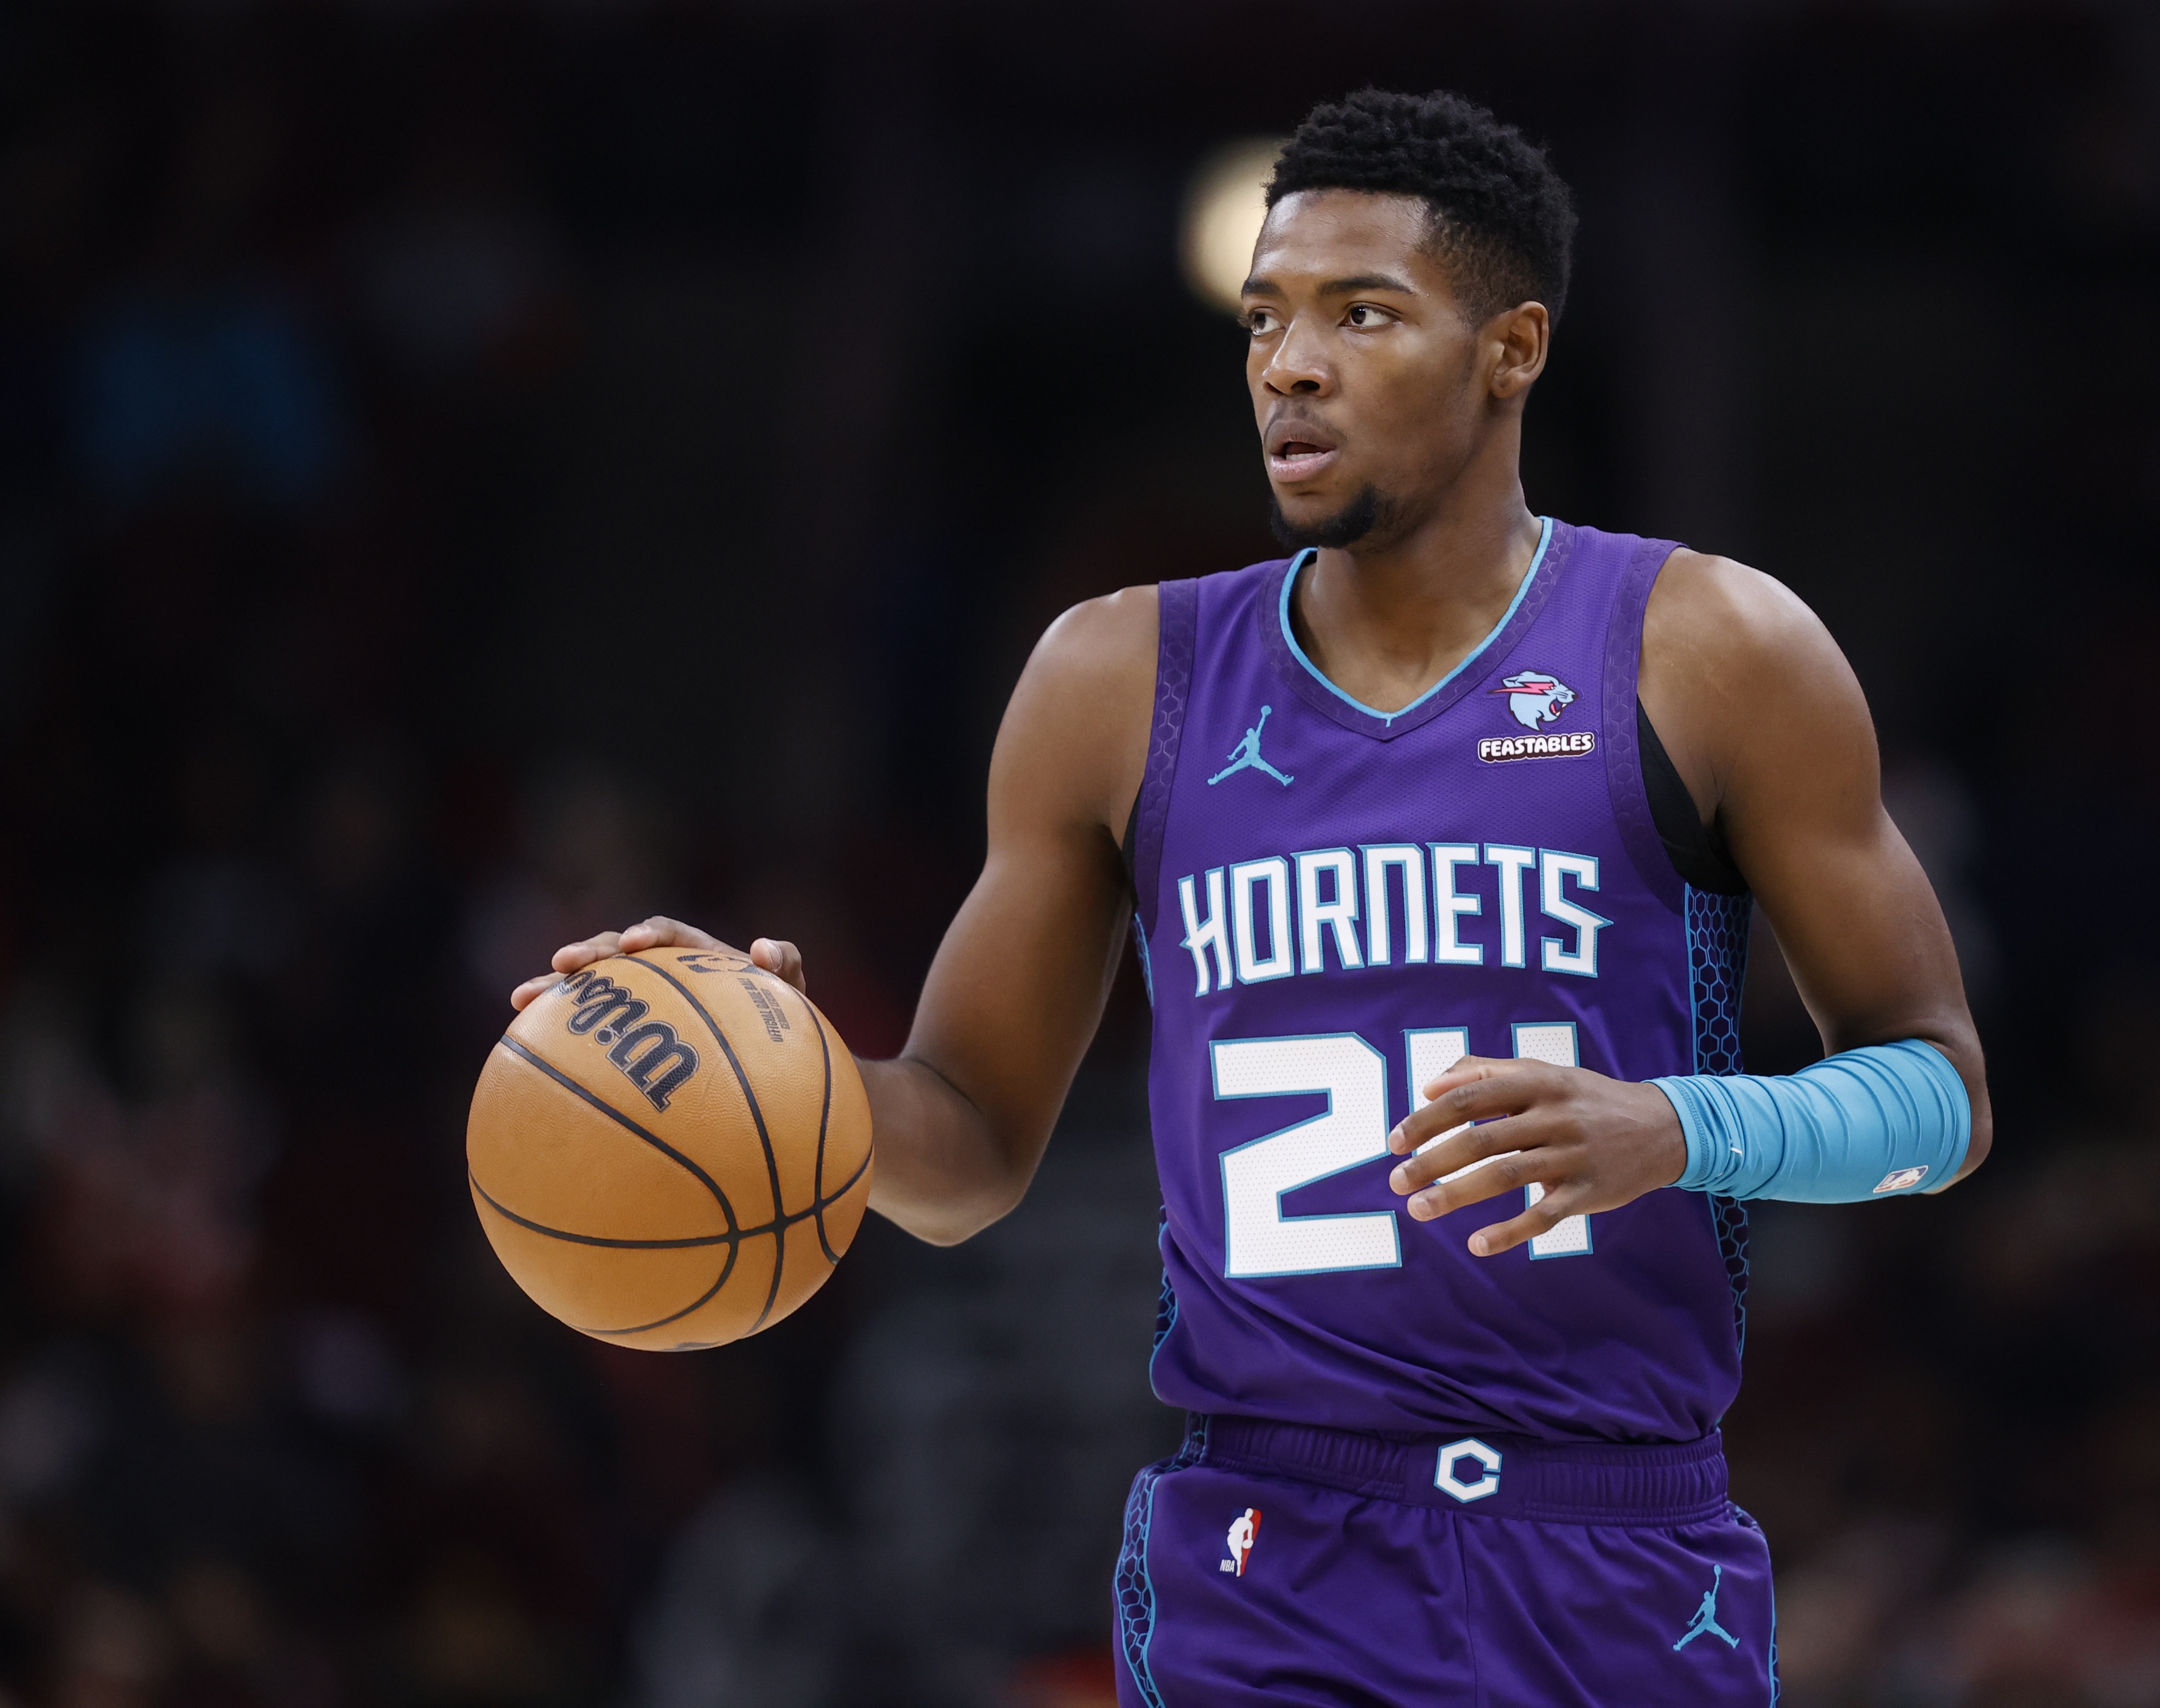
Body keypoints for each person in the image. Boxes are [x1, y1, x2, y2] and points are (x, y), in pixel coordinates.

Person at [515, 89, 1991, 1707]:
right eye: (1265, 318)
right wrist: (785, 1073)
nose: (1289, 364)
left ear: (1510, 350)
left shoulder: (1709, 648)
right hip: (1270, 1554)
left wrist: (1680, 1128)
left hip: (1615, 1540)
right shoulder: (1113, 679)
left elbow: (1937, 1099)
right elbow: (970, 1154)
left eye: (1361, 315)